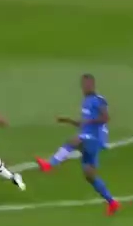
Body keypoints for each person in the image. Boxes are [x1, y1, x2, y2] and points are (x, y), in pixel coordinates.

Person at [35, 73, 120, 216]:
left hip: (96, 138)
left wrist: (90, 122)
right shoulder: (85, 101)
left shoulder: (99, 100)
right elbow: (83, 124)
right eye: (83, 85)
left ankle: (49, 164)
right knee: (89, 175)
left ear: (93, 85)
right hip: (88, 137)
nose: (85, 87)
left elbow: (105, 118)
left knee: (73, 141)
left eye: (88, 84)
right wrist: (67, 120)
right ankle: (112, 202)